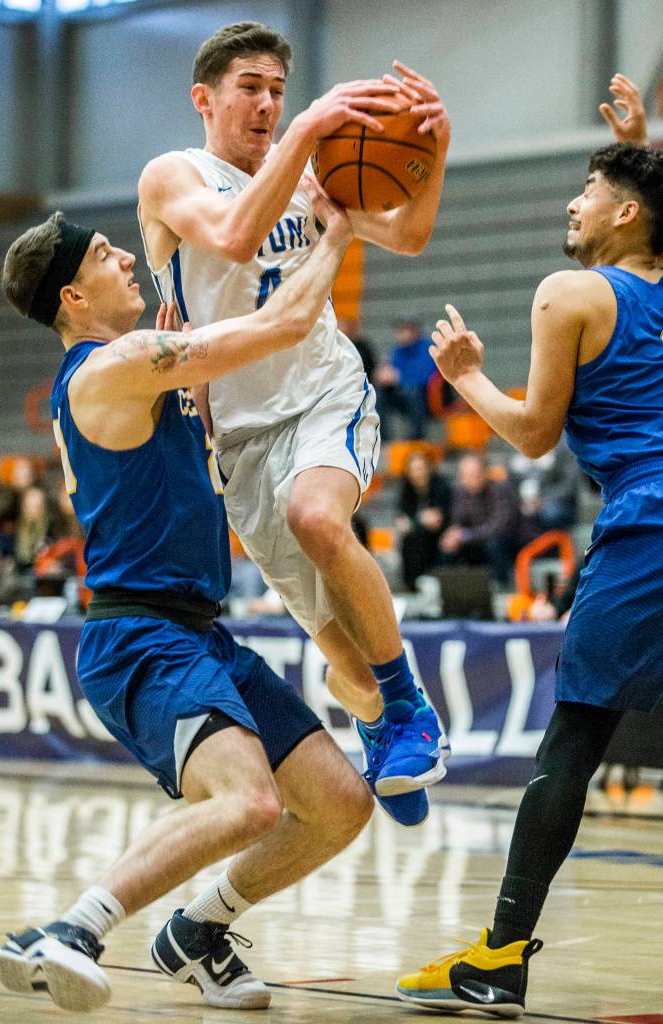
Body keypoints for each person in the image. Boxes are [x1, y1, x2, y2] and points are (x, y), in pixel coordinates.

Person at [0, 196, 375, 1013]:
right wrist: (336, 232)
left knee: (339, 805)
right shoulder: (110, 365)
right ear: (72, 295)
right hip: (139, 634)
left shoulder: (130, 366)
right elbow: (276, 328)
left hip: (197, 632)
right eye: (104, 253)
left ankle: (200, 930)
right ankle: (68, 931)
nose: (125, 257)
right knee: (248, 803)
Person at [138, 22, 452, 828]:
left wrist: (434, 151)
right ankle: (380, 721)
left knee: (317, 516)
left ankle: (409, 707)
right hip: (239, 436)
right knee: (340, 656)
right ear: (204, 97)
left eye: (279, 90)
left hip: (323, 391)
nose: (269, 104)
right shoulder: (174, 177)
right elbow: (236, 234)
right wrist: (312, 130)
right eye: (251, 87)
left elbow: (409, 234)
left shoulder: (315, 173)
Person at [396, 89, 661, 1015]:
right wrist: (636, 149)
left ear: (626, 213)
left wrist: (467, 377)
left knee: (574, 741)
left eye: (589, 188)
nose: (570, 203)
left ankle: (500, 956)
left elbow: (537, 434)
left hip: (649, 528)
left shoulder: (573, 292)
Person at [440, 452, 521, 586]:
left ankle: (501, 585)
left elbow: (499, 526)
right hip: (477, 541)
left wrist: (467, 535)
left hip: (508, 540)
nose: (468, 480)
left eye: (473, 475)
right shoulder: (460, 493)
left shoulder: (500, 490)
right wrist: (453, 534)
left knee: (494, 543)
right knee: (448, 545)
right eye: (464, 475)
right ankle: (450, 588)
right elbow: (458, 519)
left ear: (484, 473)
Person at [394, 450, 451, 591]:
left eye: (420, 469)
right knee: (410, 540)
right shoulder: (406, 489)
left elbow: (438, 520)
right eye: (413, 470)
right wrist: (421, 519)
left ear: (428, 468)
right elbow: (402, 522)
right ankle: (411, 586)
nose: (418, 473)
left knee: (425, 538)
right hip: (416, 536)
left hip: (441, 533)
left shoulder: (441, 486)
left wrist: (414, 521)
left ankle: (438, 585)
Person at [374, 317, 437, 440]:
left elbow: (427, 376)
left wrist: (398, 377)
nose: (401, 334)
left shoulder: (428, 347)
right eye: (399, 330)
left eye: (405, 330)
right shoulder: (397, 350)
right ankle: (383, 437)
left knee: (413, 391)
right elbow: (392, 374)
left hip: (427, 395)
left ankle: (417, 437)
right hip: (404, 394)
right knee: (379, 394)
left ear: (416, 330)